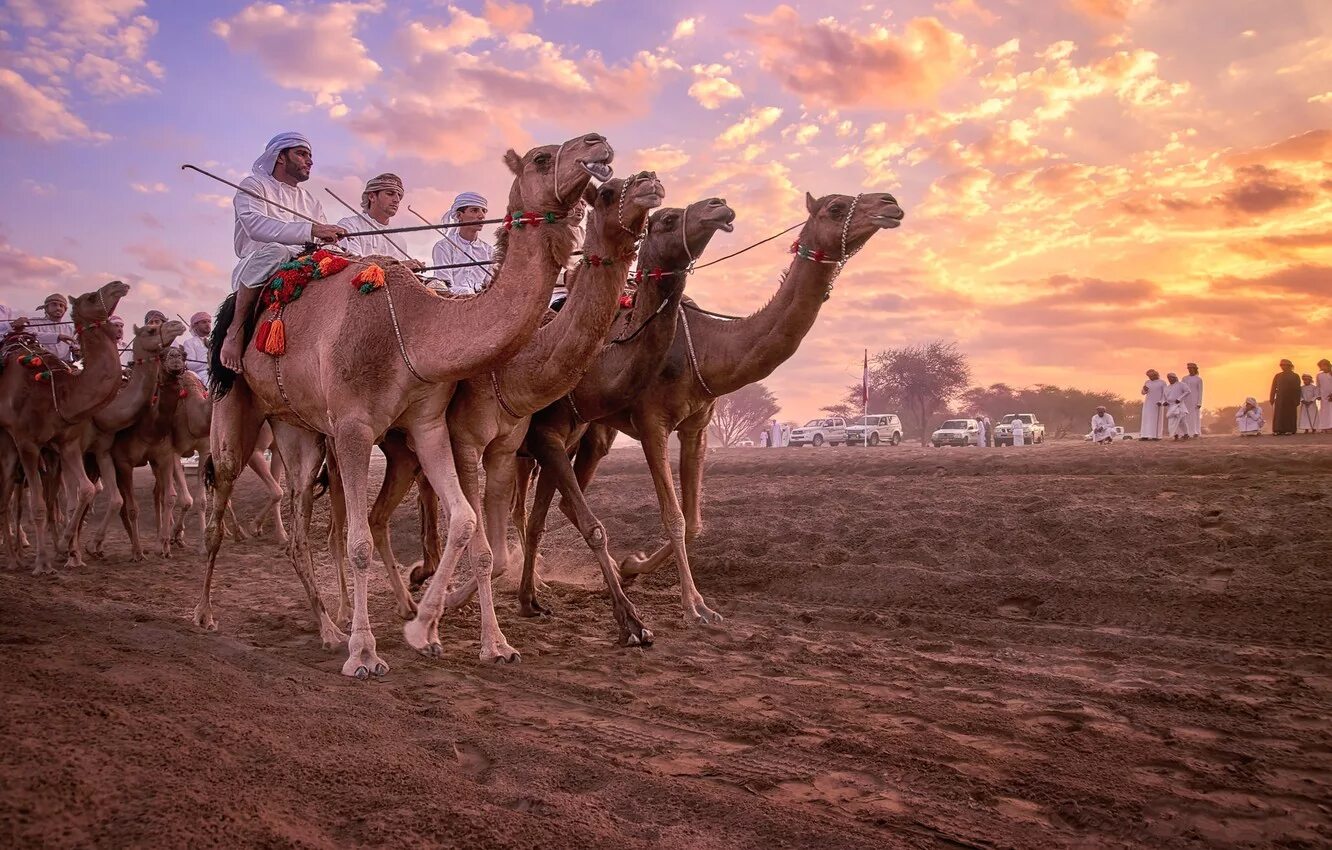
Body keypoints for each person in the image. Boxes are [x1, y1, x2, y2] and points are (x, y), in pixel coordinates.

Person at [220, 131, 346, 372]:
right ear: (280, 157)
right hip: (260, 262)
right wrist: (312, 230)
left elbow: (322, 236)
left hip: (303, 262)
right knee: (277, 251)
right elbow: (255, 225)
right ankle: (235, 331)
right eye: (301, 154)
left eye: (310, 156)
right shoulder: (254, 185)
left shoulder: (310, 200)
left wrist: (335, 245)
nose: (309, 161)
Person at [335, 172, 418, 264]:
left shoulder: (399, 241)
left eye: (399, 196)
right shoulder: (350, 226)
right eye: (390, 194)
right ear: (372, 196)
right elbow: (353, 267)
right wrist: (397, 266)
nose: (396, 200)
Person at [431, 191, 494, 295]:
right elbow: (444, 287)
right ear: (459, 215)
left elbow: (490, 286)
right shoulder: (443, 247)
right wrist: (468, 292)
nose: (482, 216)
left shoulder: (489, 251)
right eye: (474, 210)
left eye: (484, 211)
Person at [27, 293, 76, 361]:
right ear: (46, 308)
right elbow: (30, 336)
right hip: (40, 365)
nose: (58, 308)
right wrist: (58, 336)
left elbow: (77, 351)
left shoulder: (70, 329)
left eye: (61, 306)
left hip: (66, 367)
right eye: (54, 304)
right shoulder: (34, 322)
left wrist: (77, 353)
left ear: (65, 310)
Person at [1269, 359, 1301, 435]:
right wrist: (1272, 398)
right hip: (1280, 398)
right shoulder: (1278, 376)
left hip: (1291, 399)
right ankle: (1278, 429)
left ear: (1289, 366)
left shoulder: (1295, 376)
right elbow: (1273, 388)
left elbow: (1297, 389)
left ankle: (1289, 429)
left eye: (1284, 365)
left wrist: (1297, 400)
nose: (1282, 367)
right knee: (1279, 414)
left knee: (1289, 414)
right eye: (1281, 365)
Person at [179, 311, 211, 386]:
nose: (207, 324)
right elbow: (190, 365)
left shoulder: (215, 341)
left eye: (209, 322)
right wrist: (210, 364)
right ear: (195, 326)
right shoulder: (189, 343)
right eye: (204, 322)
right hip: (203, 374)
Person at [1139, 369, 1167, 440]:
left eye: (1151, 376)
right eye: (1148, 376)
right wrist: (1144, 389)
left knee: (1156, 420)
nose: (1150, 377)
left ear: (1155, 375)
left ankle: (1156, 436)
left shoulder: (1162, 382)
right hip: (1148, 403)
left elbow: (1165, 393)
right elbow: (1143, 393)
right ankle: (1145, 435)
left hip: (1157, 403)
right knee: (1146, 419)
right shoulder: (1147, 382)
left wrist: (1161, 401)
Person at [1164, 372, 1192, 440]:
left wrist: (1179, 399)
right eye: (1168, 378)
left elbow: (1188, 391)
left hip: (1180, 405)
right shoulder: (1167, 387)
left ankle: (1186, 434)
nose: (1169, 379)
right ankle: (1175, 435)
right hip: (1171, 407)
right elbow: (1166, 397)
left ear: (1175, 378)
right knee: (1172, 421)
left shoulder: (1181, 384)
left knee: (1182, 421)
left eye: (1171, 378)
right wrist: (1165, 402)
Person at [1182, 362, 1203, 438]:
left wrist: (1199, 402)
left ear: (1195, 369)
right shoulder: (1184, 378)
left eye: (1191, 368)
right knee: (1186, 416)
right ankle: (1186, 432)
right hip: (1186, 400)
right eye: (1189, 368)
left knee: (1194, 416)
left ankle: (1195, 431)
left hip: (1195, 400)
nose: (1190, 370)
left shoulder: (1198, 379)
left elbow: (1200, 391)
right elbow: (1181, 389)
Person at [1318, 359, 1332, 433]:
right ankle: (1324, 427)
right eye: (1321, 366)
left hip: (1331, 395)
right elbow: (1318, 386)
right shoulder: (1319, 375)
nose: (1323, 367)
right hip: (1324, 396)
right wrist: (1318, 395)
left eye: (1324, 365)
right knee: (1324, 411)